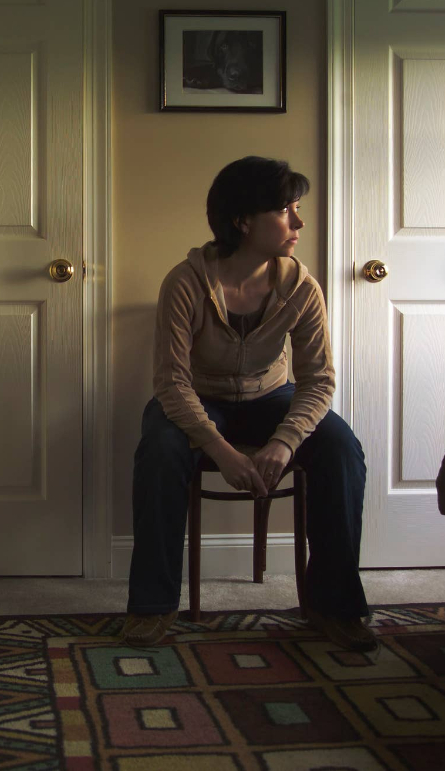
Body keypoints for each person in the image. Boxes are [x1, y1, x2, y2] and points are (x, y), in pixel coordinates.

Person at [121, 156, 376, 653]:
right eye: (284, 210)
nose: (298, 222)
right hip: (197, 396)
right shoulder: (185, 282)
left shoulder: (302, 287)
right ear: (242, 220)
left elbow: (318, 380)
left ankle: (335, 605)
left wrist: (285, 441)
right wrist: (221, 450)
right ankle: (152, 605)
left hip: (270, 396)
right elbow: (171, 382)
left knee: (342, 449)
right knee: (159, 451)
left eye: (297, 208)